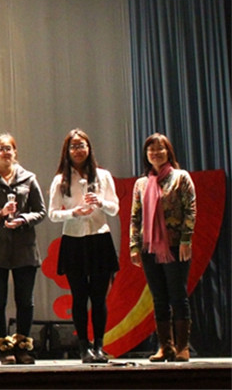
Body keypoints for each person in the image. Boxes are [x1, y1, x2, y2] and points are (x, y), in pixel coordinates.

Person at [0, 133, 46, 365]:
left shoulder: (29, 179)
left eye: (9, 148)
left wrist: (23, 219)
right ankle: (3, 347)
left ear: (15, 152)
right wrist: (0, 213)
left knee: (25, 301)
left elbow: (41, 211)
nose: (5, 153)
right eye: (0, 149)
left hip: (24, 248)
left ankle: (23, 346)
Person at [48, 129, 119, 364]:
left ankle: (99, 346)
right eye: (74, 146)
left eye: (82, 145)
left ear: (89, 148)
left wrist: (100, 202)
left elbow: (115, 208)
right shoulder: (60, 180)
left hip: (99, 238)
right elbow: (52, 214)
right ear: (67, 151)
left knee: (99, 298)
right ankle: (83, 347)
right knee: (79, 297)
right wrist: (73, 213)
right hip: (73, 240)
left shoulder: (103, 176)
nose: (78, 150)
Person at [130, 132, 196, 362]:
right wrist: (134, 246)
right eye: (151, 149)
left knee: (178, 295)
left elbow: (190, 209)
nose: (155, 153)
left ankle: (182, 346)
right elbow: (135, 217)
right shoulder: (141, 184)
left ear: (168, 151)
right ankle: (165, 346)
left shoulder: (180, 177)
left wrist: (186, 239)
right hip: (149, 248)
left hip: (176, 246)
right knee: (158, 298)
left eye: (160, 149)